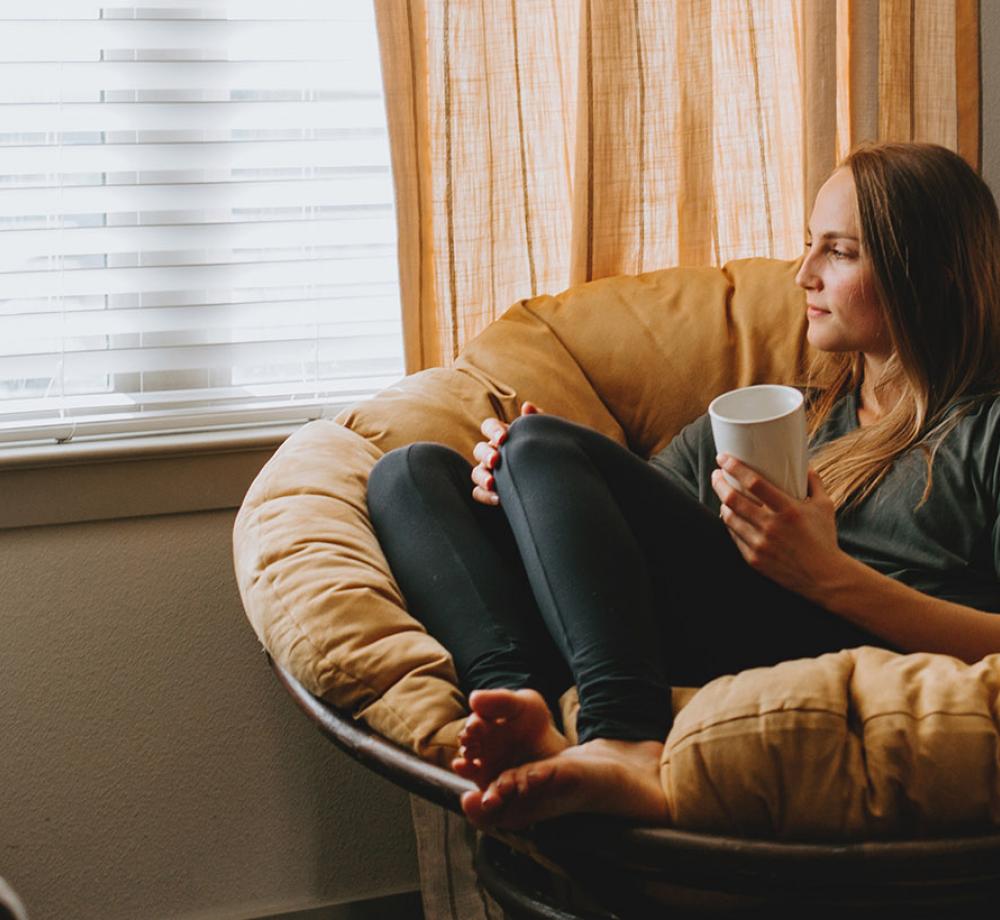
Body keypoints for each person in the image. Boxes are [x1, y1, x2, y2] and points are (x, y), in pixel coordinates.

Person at [366, 142, 1000, 831]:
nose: (803, 275)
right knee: (412, 475)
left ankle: (626, 739)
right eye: (807, 246)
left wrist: (829, 576)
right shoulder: (784, 413)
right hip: (695, 631)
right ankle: (520, 707)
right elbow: (621, 536)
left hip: (840, 652)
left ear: (932, 277)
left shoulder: (985, 433)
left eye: (840, 252)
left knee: (541, 448)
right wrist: (522, 487)